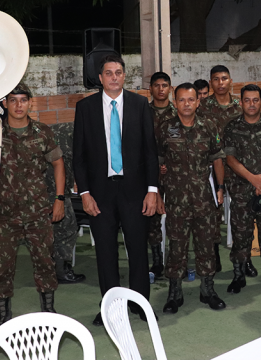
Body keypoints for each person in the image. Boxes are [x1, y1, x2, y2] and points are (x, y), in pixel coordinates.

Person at [0, 83, 65, 330]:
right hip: (4, 215)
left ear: (30, 102)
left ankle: (49, 311)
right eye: (13, 100)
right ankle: (3, 317)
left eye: (23, 100)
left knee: (45, 264)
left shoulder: (42, 132)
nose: (19, 105)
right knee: (2, 268)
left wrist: (59, 199)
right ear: (5, 104)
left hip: (37, 212)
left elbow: (58, 163)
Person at [72, 54, 160, 325]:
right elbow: (79, 156)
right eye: (108, 73)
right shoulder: (85, 108)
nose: (113, 77)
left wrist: (152, 190)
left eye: (118, 72)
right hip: (100, 194)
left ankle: (140, 304)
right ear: (100, 78)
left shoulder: (139, 104)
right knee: (105, 252)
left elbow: (150, 151)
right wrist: (85, 193)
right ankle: (110, 308)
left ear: (124, 76)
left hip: (135, 191)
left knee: (138, 250)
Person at [157, 83, 227, 313]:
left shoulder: (208, 126)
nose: (186, 104)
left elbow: (217, 158)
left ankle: (208, 290)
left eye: (190, 100)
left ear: (198, 102)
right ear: (174, 102)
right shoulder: (165, 128)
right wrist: (157, 193)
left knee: (206, 244)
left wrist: (220, 187)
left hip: (204, 197)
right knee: (176, 245)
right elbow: (157, 161)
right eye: (181, 100)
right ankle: (174, 293)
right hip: (176, 199)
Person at [223, 84, 261, 294]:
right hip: (242, 189)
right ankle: (238, 276)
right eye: (247, 100)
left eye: (255, 100)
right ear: (241, 102)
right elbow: (230, 159)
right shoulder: (232, 127)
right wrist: (253, 179)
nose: (251, 104)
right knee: (241, 235)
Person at [198, 65, 244, 274]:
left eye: (224, 78)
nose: (220, 83)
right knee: (213, 214)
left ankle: (244, 258)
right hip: (212, 166)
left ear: (230, 81)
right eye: (216, 79)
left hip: (237, 166)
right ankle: (214, 256)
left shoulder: (240, 106)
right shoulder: (202, 107)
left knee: (241, 213)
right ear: (211, 83)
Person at [46, 122, 86, 284]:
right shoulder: (78, 133)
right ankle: (61, 271)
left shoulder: (67, 129)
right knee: (66, 227)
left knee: (56, 228)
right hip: (54, 184)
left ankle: (51, 268)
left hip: (45, 183)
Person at [148, 71, 177, 278]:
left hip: (175, 173)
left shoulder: (177, 113)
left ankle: (175, 258)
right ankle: (157, 259)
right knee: (152, 217)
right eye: (157, 85)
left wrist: (167, 164)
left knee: (176, 215)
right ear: (150, 89)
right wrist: (155, 166)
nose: (160, 89)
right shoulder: (142, 113)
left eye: (164, 85)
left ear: (170, 89)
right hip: (149, 173)